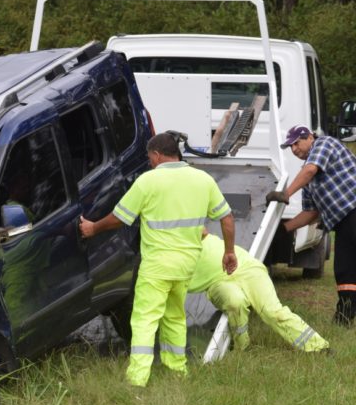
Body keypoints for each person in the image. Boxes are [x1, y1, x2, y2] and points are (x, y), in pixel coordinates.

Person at [79, 132, 237, 387]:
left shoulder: (148, 181)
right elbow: (227, 218)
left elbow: (120, 218)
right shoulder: (202, 179)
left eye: (150, 157)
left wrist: (93, 228)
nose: (149, 162)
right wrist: (229, 252)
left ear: (157, 154)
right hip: (186, 265)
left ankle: (138, 378)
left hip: (157, 265)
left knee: (145, 319)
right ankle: (177, 369)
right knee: (174, 316)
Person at [266, 125, 356, 327]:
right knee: (344, 271)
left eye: (296, 143)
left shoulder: (324, 144)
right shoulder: (306, 176)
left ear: (308, 137)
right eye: (290, 147)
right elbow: (311, 213)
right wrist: (284, 230)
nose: (294, 149)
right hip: (342, 223)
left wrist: (285, 194)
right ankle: (344, 318)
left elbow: (311, 169)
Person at [189, 230, 329, 352]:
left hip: (246, 267)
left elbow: (202, 230)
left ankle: (318, 347)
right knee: (235, 303)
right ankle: (242, 346)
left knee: (273, 312)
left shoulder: (189, 232)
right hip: (217, 282)